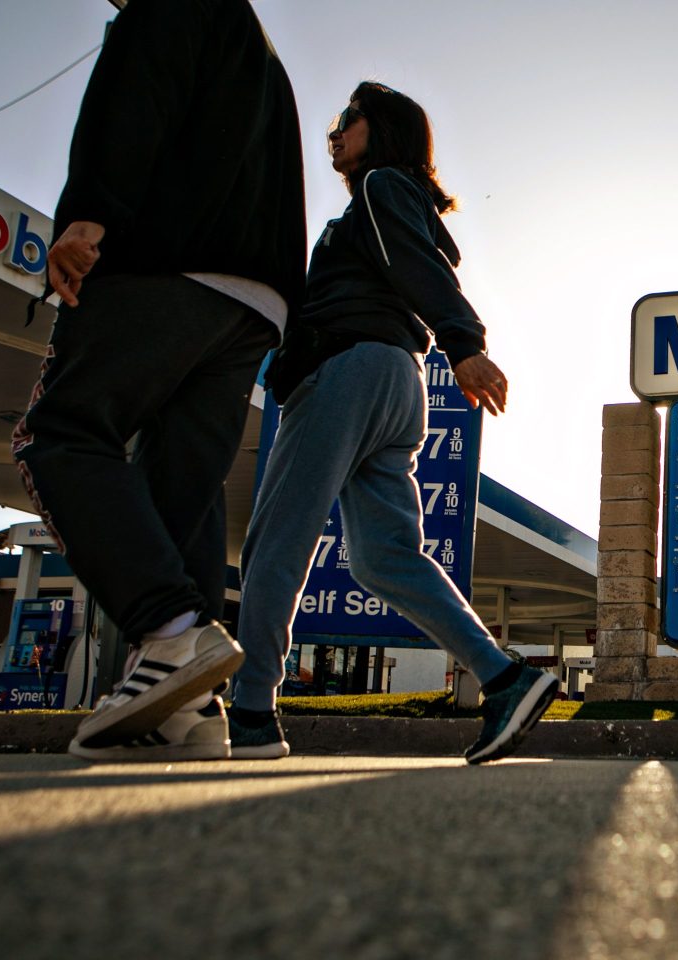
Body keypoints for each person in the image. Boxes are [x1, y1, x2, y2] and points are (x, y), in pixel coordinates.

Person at [10, 0, 306, 761]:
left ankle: (172, 634)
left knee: (64, 433)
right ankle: (191, 711)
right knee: (183, 485)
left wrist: (87, 215)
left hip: (165, 268)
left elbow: (135, 99)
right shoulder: (257, 47)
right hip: (256, 300)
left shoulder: (168, 6)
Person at [229, 81, 556, 764]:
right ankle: (504, 679)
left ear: (384, 131)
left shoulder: (380, 187)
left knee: (276, 543)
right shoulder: (389, 198)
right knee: (385, 559)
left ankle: (252, 716)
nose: (336, 129)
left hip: (348, 371)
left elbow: (412, 264)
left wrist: (463, 344)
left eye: (351, 118)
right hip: (396, 382)